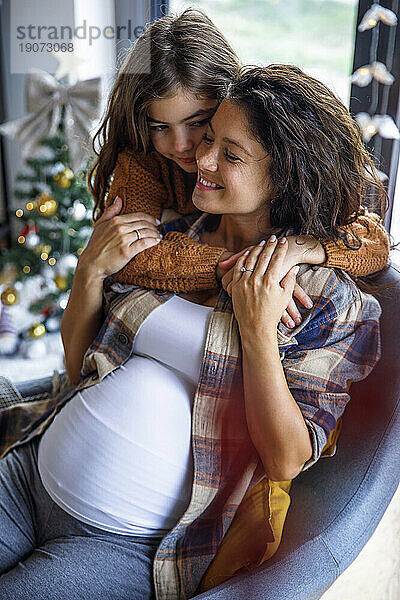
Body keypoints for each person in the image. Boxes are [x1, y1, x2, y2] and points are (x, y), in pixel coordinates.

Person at [0, 64, 383, 600]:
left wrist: (255, 331)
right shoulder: (171, 232)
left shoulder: (330, 302)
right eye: (208, 140)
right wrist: (91, 268)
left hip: (126, 542)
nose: (197, 160)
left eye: (229, 154)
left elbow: (287, 457)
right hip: (31, 468)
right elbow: (82, 358)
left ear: (286, 176)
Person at [61, 8, 390, 386]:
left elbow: (372, 240)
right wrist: (241, 267)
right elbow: (133, 257)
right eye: (160, 127)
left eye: (199, 122)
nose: (186, 148)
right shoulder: (145, 166)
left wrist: (299, 249)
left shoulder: (267, 164)